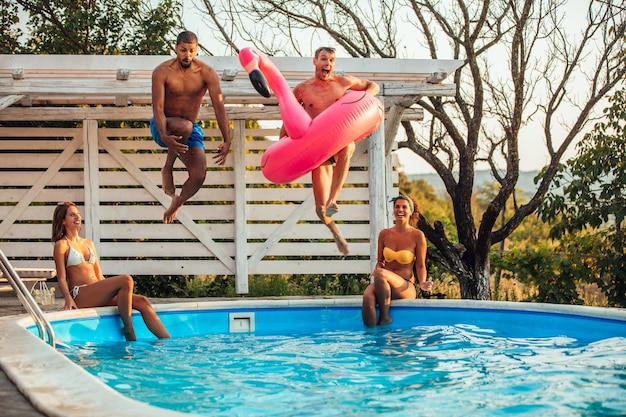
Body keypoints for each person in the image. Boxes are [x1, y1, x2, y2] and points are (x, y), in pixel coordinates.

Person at [280, 47, 380, 256]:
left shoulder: (343, 83)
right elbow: (290, 117)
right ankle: (337, 234)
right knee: (320, 209)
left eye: (332, 60)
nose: (328, 63)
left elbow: (373, 85)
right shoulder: (302, 89)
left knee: (348, 147)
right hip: (317, 148)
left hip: (338, 141)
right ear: (315, 61)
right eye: (324, 59)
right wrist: (282, 146)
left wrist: (365, 98)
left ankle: (334, 198)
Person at [52, 202, 170, 341]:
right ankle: (128, 329)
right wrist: (68, 299)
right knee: (126, 280)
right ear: (63, 221)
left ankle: (168, 342)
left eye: (78, 214)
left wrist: (109, 291)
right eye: (72, 215)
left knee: (142, 301)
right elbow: (61, 277)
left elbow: (99, 275)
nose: (77, 217)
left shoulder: (88, 243)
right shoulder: (62, 245)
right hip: (81, 294)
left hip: (97, 292)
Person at [151, 30, 232, 224]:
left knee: (198, 175)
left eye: (191, 51)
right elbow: (158, 109)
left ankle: (177, 202)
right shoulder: (162, 71)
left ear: (197, 50)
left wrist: (227, 139)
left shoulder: (206, 73)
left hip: (190, 129)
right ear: (176, 48)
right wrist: (164, 134)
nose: (187, 55)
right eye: (183, 50)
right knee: (184, 126)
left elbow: (219, 107)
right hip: (163, 125)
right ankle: (168, 167)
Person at [361, 194, 433, 326]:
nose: (400, 210)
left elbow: (421, 265)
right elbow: (380, 262)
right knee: (367, 297)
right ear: (393, 210)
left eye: (404, 207)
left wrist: (422, 282)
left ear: (411, 211)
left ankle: (384, 318)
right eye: (397, 206)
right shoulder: (384, 234)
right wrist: (378, 269)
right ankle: (372, 339)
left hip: (405, 286)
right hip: (384, 284)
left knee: (380, 274)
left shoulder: (417, 235)